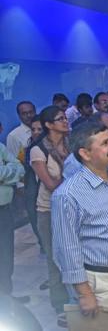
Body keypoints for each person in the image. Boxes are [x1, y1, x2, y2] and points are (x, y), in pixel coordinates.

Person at [51, 121, 108, 331]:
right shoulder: (68, 195)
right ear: (85, 153)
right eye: (104, 143)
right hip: (101, 281)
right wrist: (84, 293)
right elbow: (66, 249)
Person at [29, 106, 71, 326]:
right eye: (60, 119)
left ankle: (79, 298)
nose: (65, 121)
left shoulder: (71, 144)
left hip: (72, 208)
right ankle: (60, 304)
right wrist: (74, 179)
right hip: (49, 210)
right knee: (56, 259)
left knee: (75, 255)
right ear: (48, 125)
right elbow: (50, 184)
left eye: (65, 117)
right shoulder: (38, 150)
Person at [0, 124, 28, 303]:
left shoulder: (0, 147)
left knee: (6, 254)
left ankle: (6, 298)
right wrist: (9, 173)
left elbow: (20, 168)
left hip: (4, 210)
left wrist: (4, 174)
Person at [24, 116, 44, 252]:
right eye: (33, 129)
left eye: (40, 129)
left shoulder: (54, 149)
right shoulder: (28, 149)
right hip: (33, 192)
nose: (36, 132)